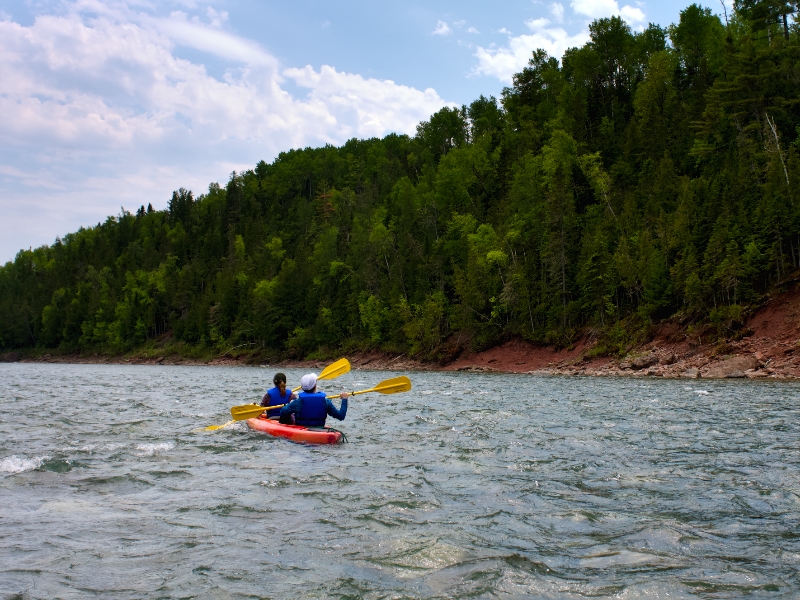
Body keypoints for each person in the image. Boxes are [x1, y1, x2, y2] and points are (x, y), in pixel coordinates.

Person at [279, 372, 348, 427]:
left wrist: (289, 408)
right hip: (319, 431)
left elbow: (282, 412)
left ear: (302, 388)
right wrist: (344, 399)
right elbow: (341, 416)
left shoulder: (297, 402)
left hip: (301, 432)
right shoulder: (325, 401)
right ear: (315, 386)